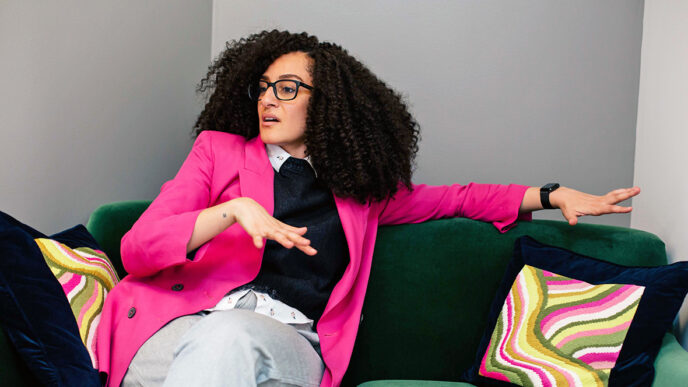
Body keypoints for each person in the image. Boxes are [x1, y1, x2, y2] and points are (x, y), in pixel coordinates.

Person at [96, 30, 640, 387]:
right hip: (181, 331)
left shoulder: (361, 192)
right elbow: (137, 251)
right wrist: (232, 210)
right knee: (219, 342)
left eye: (287, 88)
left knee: (233, 337)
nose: (268, 100)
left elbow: (458, 198)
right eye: (263, 88)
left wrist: (550, 195)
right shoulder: (219, 152)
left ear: (326, 100)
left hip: (289, 344)